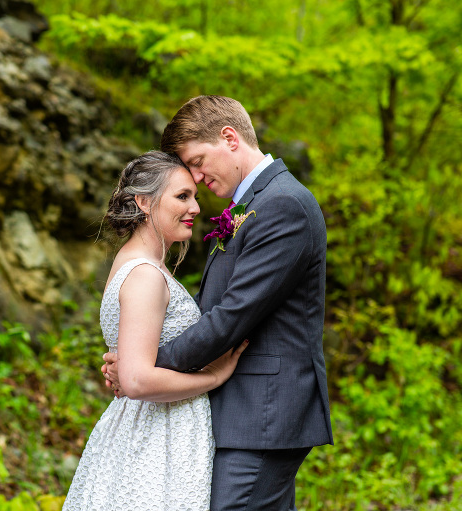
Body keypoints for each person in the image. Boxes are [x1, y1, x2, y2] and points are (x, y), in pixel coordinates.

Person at [102, 95, 333, 510]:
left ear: (229, 138)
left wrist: (143, 368)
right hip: (241, 414)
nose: (195, 175)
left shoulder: (283, 205)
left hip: (262, 414)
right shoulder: (251, 205)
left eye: (196, 160)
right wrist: (139, 365)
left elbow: (232, 316)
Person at [63, 151, 249, 510]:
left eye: (194, 196)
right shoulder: (145, 275)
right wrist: (214, 377)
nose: (195, 207)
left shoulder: (134, 263)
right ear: (143, 202)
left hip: (154, 428)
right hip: (157, 437)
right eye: (182, 196)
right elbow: (136, 381)